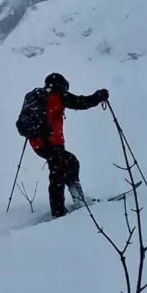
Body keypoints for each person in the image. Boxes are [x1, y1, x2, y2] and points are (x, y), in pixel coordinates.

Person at [26, 73, 109, 218]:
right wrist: (98, 97)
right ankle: (68, 206)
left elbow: (22, 124)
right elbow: (80, 102)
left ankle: (64, 206)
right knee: (66, 165)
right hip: (49, 143)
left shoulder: (38, 97)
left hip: (43, 144)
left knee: (61, 169)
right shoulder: (57, 96)